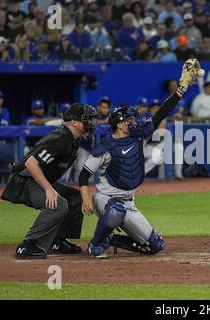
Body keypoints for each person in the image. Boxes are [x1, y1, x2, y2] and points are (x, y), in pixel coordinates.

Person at [79, 59, 201, 258]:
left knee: (155, 246)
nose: (134, 122)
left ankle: (112, 240)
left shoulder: (138, 135)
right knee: (115, 211)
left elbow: (160, 113)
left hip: (129, 202)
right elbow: (84, 175)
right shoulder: (106, 145)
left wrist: (181, 89)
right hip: (105, 199)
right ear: (119, 125)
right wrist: (86, 198)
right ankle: (97, 245)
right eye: (129, 120)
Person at [0, 103, 97, 259]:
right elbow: (30, 163)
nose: (91, 122)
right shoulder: (61, 139)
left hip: (36, 179)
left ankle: (56, 241)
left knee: (74, 198)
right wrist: (48, 189)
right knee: (58, 205)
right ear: (74, 122)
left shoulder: (72, 139)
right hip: (24, 180)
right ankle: (28, 245)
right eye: (87, 119)